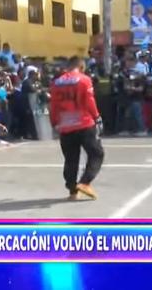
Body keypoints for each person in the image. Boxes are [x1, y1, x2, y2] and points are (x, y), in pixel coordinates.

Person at [49, 56, 104, 201]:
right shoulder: (84, 79)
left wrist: (54, 122)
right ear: (80, 66)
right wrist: (97, 117)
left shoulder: (56, 83)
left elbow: (53, 105)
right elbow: (89, 100)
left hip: (65, 125)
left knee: (71, 159)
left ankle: (72, 191)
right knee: (96, 153)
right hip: (84, 123)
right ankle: (85, 182)